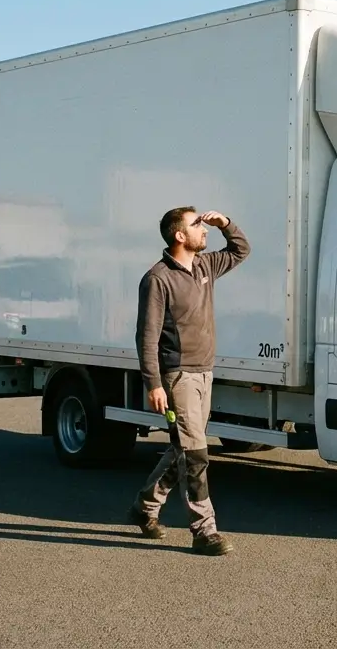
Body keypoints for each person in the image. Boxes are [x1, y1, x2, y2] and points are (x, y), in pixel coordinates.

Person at [126, 206, 250, 555]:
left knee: (183, 448)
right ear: (179, 236)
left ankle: (145, 506)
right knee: (196, 453)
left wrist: (225, 222)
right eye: (198, 224)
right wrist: (154, 383)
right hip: (177, 375)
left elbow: (241, 250)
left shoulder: (205, 265)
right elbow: (146, 336)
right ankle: (203, 530)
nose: (204, 229)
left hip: (204, 371)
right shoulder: (158, 279)